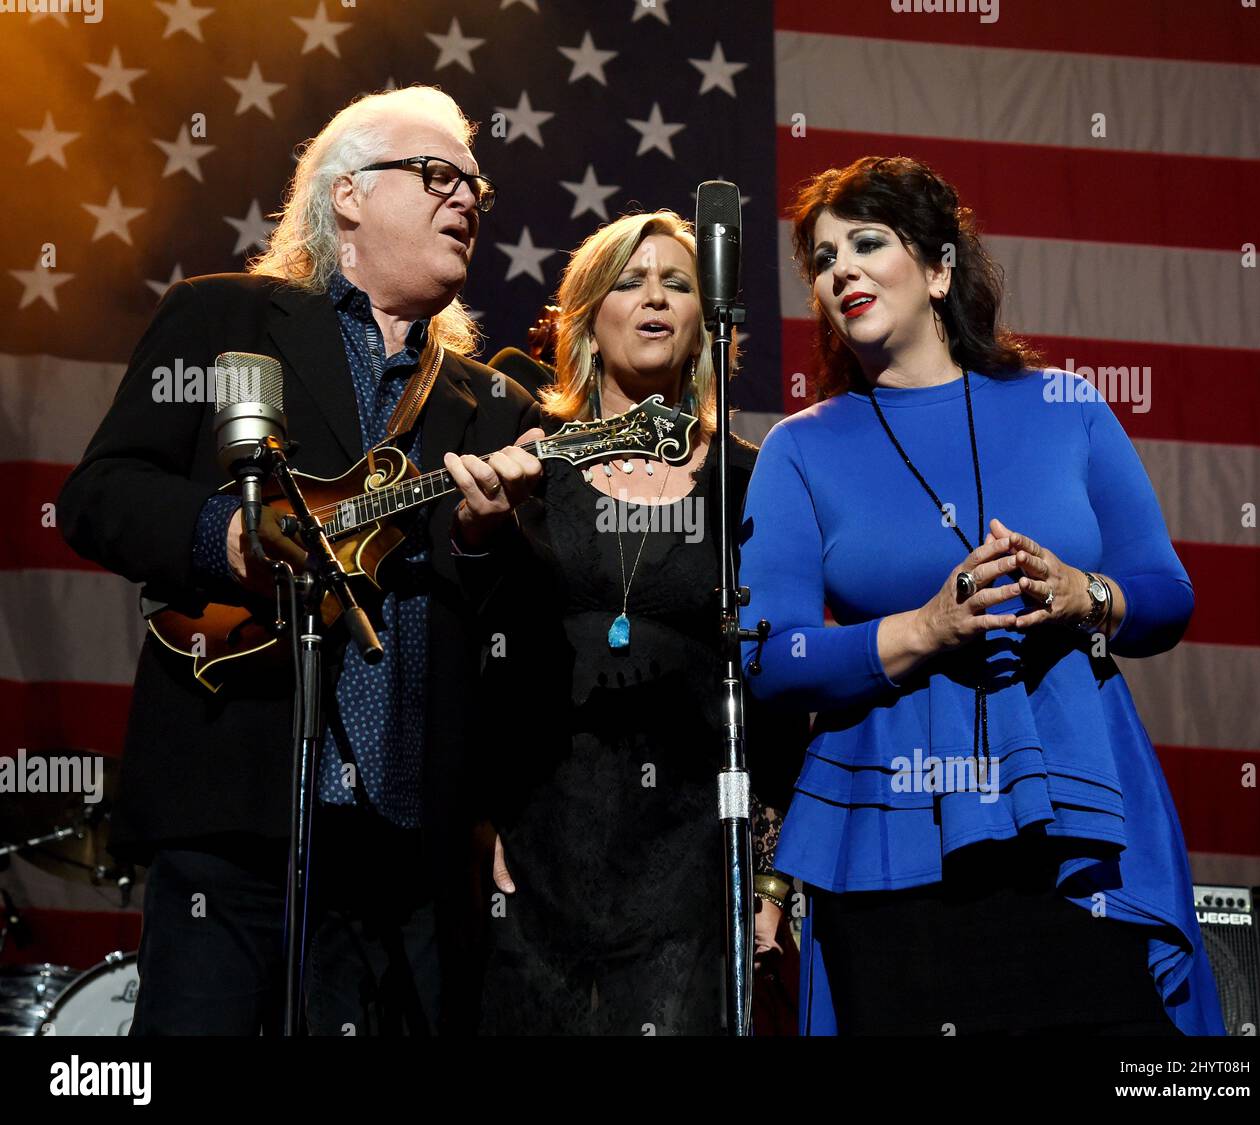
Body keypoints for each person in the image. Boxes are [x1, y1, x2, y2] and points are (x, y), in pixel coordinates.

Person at [57, 85, 543, 1035]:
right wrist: (222, 535)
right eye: (438, 173)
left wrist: (487, 542)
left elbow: (512, 634)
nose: (469, 199)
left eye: (477, 185)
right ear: (348, 194)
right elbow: (98, 495)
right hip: (238, 818)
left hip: (409, 849)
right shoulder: (222, 320)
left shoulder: (490, 406)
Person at [738, 156, 1225, 1036]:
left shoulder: (1067, 405)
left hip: (1079, 814)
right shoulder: (798, 449)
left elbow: (1167, 597)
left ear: (937, 267)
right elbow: (768, 657)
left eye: (865, 242)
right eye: (821, 257)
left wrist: (1086, 593)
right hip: (889, 833)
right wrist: (925, 629)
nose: (838, 268)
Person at [447, 211, 802, 1035]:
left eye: (677, 283)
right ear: (587, 318)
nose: (654, 299)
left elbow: (777, 690)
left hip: (693, 852)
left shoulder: (752, 477)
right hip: (541, 841)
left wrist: (771, 881)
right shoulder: (531, 458)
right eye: (629, 281)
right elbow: (476, 647)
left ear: (706, 321)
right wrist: (481, 818)